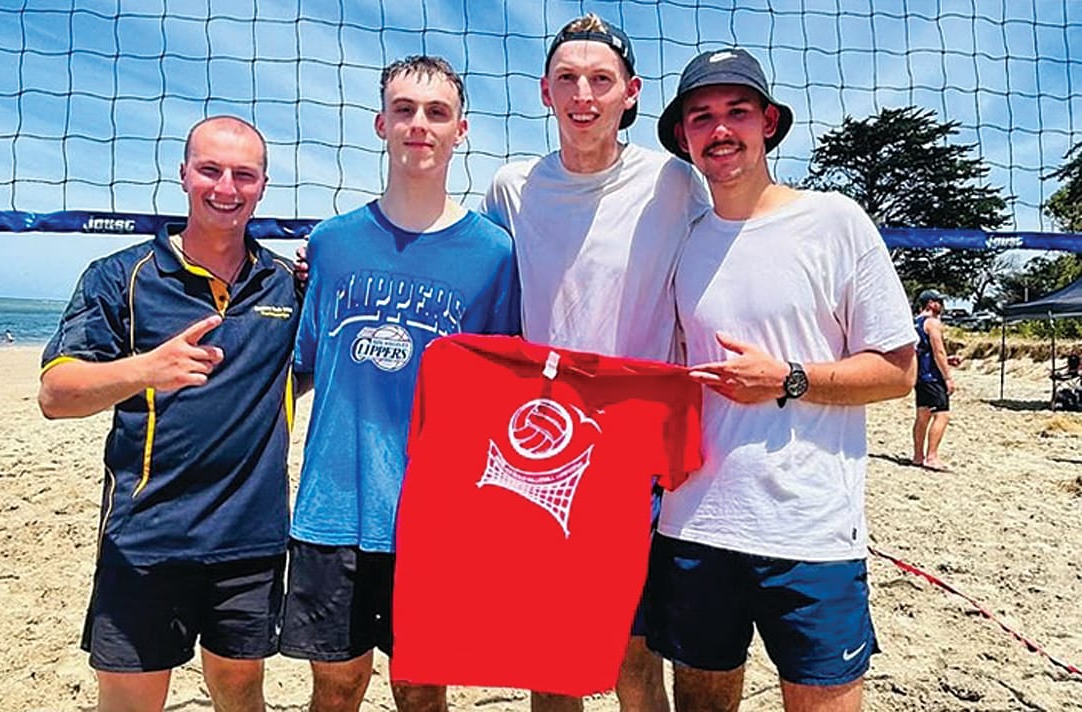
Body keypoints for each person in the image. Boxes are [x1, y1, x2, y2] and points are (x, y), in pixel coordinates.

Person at [648, 48, 918, 712]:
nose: (720, 129)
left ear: (768, 122)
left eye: (737, 111)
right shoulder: (682, 240)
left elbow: (897, 371)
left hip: (809, 532)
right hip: (696, 525)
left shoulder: (834, 221)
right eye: (701, 116)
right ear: (683, 136)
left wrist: (788, 378)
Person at [481, 13, 710, 712]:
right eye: (568, 79)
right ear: (544, 92)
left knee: (633, 659)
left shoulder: (675, 182)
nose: (583, 95)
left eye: (600, 80)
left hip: (637, 451)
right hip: (542, 444)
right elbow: (477, 280)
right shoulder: (512, 187)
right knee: (550, 658)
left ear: (631, 93)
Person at [282, 55, 520, 712]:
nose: (420, 124)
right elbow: (299, 369)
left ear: (460, 130)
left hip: (435, 519)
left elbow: (502, 396)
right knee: (337, 686)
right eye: (405, 110)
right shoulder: (330, 244)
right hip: (332, 509)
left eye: (437, 112)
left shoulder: (495, 254)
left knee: (420, 688)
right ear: (380, 123)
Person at [38, 115, 300, 712]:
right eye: (210, 170)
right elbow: (56, 395)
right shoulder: (121, 277)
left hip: (250, 540)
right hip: (146, 537)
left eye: (244, 175)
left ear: (263, 185)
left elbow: (314, 364)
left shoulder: (285, 284)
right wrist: (144, 370)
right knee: (132, 699)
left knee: (240, 691)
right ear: (183, 174)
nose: (226, 188)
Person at [912, 288, 958, 471]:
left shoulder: (915, 322)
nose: (942, 305)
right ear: (931, 303)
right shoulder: (932, 323)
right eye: (939, 301)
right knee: (942, 415)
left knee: (923, 415)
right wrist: (947, 377)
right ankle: (932, 457)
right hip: (932, 377)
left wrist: (947, 360)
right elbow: (938, 350)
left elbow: (924, 351)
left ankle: (918, 456)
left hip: (919, 375)